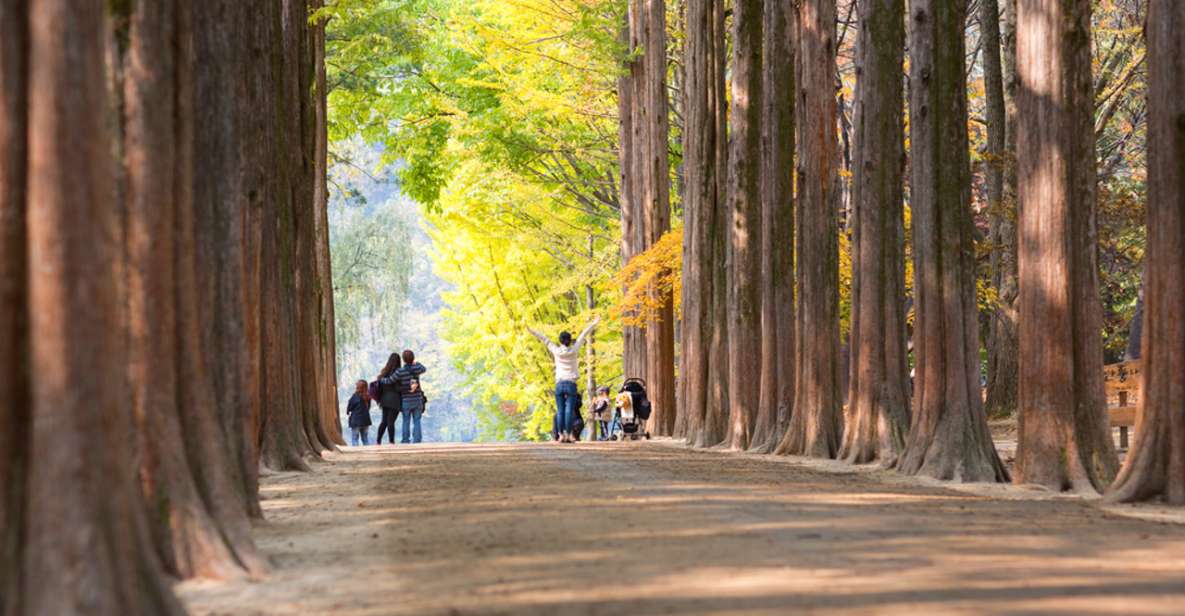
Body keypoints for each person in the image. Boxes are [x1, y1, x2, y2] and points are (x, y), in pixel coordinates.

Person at [527, 316, 599, 443]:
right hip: (571, 384)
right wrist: (594, 323)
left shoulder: (556, 350)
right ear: (570, 341)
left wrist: (530, 330)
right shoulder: (574, 349)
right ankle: (570, 435)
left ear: (560, 341)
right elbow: (584, 334)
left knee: (560, 410)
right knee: (569, 410)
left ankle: (560, 435)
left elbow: (543, 338)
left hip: (559, 384)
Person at [383, 349, 426, 444]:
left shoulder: (400, 371)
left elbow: (390, 380)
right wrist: (416, 362)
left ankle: (405, 440)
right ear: (413, 358)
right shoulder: (417, 368)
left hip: (406, 399)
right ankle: (417, 440)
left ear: (403, 359)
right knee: (417, 420)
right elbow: (424, 368)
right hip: (417, 398)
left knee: (406, 420)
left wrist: (381, 380)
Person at [375, 353, 402, 445]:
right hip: (394, 399)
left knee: (384, 421)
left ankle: (378, 441)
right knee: (391, 421)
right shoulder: (399, 372)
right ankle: (391, 441)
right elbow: (398, 386)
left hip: (384, 399)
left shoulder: (384, 372)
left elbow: (380, 384)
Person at [346, 380, 373, 446]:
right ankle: (368, 453)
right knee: (365, 439)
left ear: (358, 387)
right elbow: (368, 407)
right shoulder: (368, 396)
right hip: (366, 420)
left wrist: (348, 411)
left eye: (357, 386)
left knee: (355, 438)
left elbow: (350, 406)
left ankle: (356, 453)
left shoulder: (355, 396)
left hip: (356, 421)